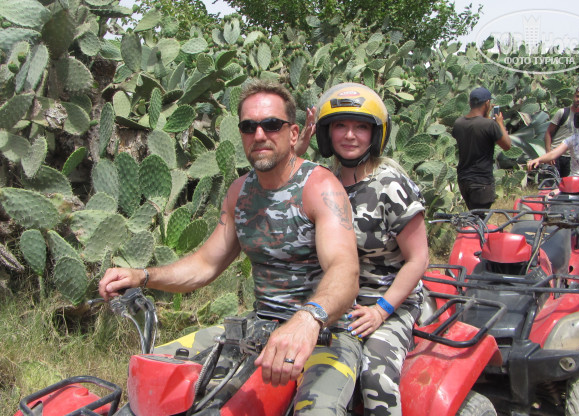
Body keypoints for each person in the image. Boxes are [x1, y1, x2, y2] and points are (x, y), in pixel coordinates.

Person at [99, 79, 362, 415]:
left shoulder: (320, 186)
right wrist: (142, 275)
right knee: (158, 372)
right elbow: (205, 264)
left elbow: (345, 270)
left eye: (272, 125)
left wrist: (308, 320)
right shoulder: (241, 192)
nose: (260, 135)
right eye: (249, 127)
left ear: (294, 133)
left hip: (327, 333)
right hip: (260, 325)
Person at [300, 83, 429, 415]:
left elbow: (418, 259)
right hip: (338, 301)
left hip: (390, 301)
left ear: (375, 133)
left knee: (375, 377)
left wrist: (380, 311)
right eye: (340, 125)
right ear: (327, 133)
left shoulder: (391, 185)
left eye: (360, 126)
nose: (349, 135)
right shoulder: (323, 183)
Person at [452, 87, 511, 210]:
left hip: (463, 180)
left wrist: (487, 118)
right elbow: (507, 145)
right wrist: (500, 123)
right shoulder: (490, 125)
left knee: (473, 215)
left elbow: (476, 130)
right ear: (487, 103)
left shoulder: (458, 123)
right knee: (480, 219)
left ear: (470, 103)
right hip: (481, 181)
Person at [543, 86, 579, 177]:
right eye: (577, 96)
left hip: (573, 158)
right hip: (556, 155)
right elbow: (548, 132)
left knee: (568, 184)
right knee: (551, 182)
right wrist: (549, 153)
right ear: (573, 96)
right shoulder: (562, 112)